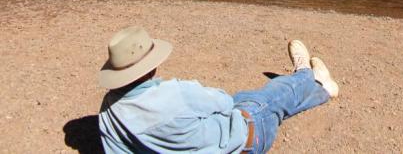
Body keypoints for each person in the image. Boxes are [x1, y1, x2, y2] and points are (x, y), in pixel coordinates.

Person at [98, 25, 339, 153]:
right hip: (247, 142)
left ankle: (323, 89)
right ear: (152, 66)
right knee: (265, 99)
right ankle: (306, 75)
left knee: (245, 98)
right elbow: (224, 102)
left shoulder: (108, 112)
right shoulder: (177, 93)